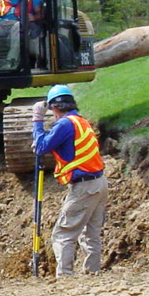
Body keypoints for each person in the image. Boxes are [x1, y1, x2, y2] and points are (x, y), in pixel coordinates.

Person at [32, 85, 106, 276]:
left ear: (55, 107)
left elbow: (41, 147)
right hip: (99, 183)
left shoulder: (65, 124)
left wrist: (37, 120)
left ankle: (65, 277)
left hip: (84, 187)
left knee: (63, 234)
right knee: (90, 234)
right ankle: (93, 274)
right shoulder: (80, 121)